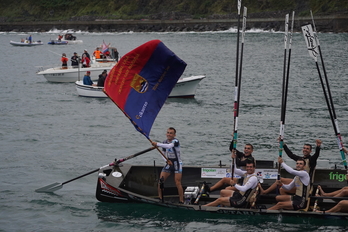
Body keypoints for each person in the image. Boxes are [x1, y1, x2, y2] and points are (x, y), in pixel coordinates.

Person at [151, 127, 184, 203]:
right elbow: (163, 154)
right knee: (160, 181)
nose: (169, 134)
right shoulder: (164, 142)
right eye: (168, 133)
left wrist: (157, 144)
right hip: (169, 163)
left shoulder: (176, 141)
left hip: (177, 164)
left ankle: (181, 200)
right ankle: (160, 198)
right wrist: (166, 160)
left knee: (177, 182)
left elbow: (169, 146)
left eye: (171, 133)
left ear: (174, 135)